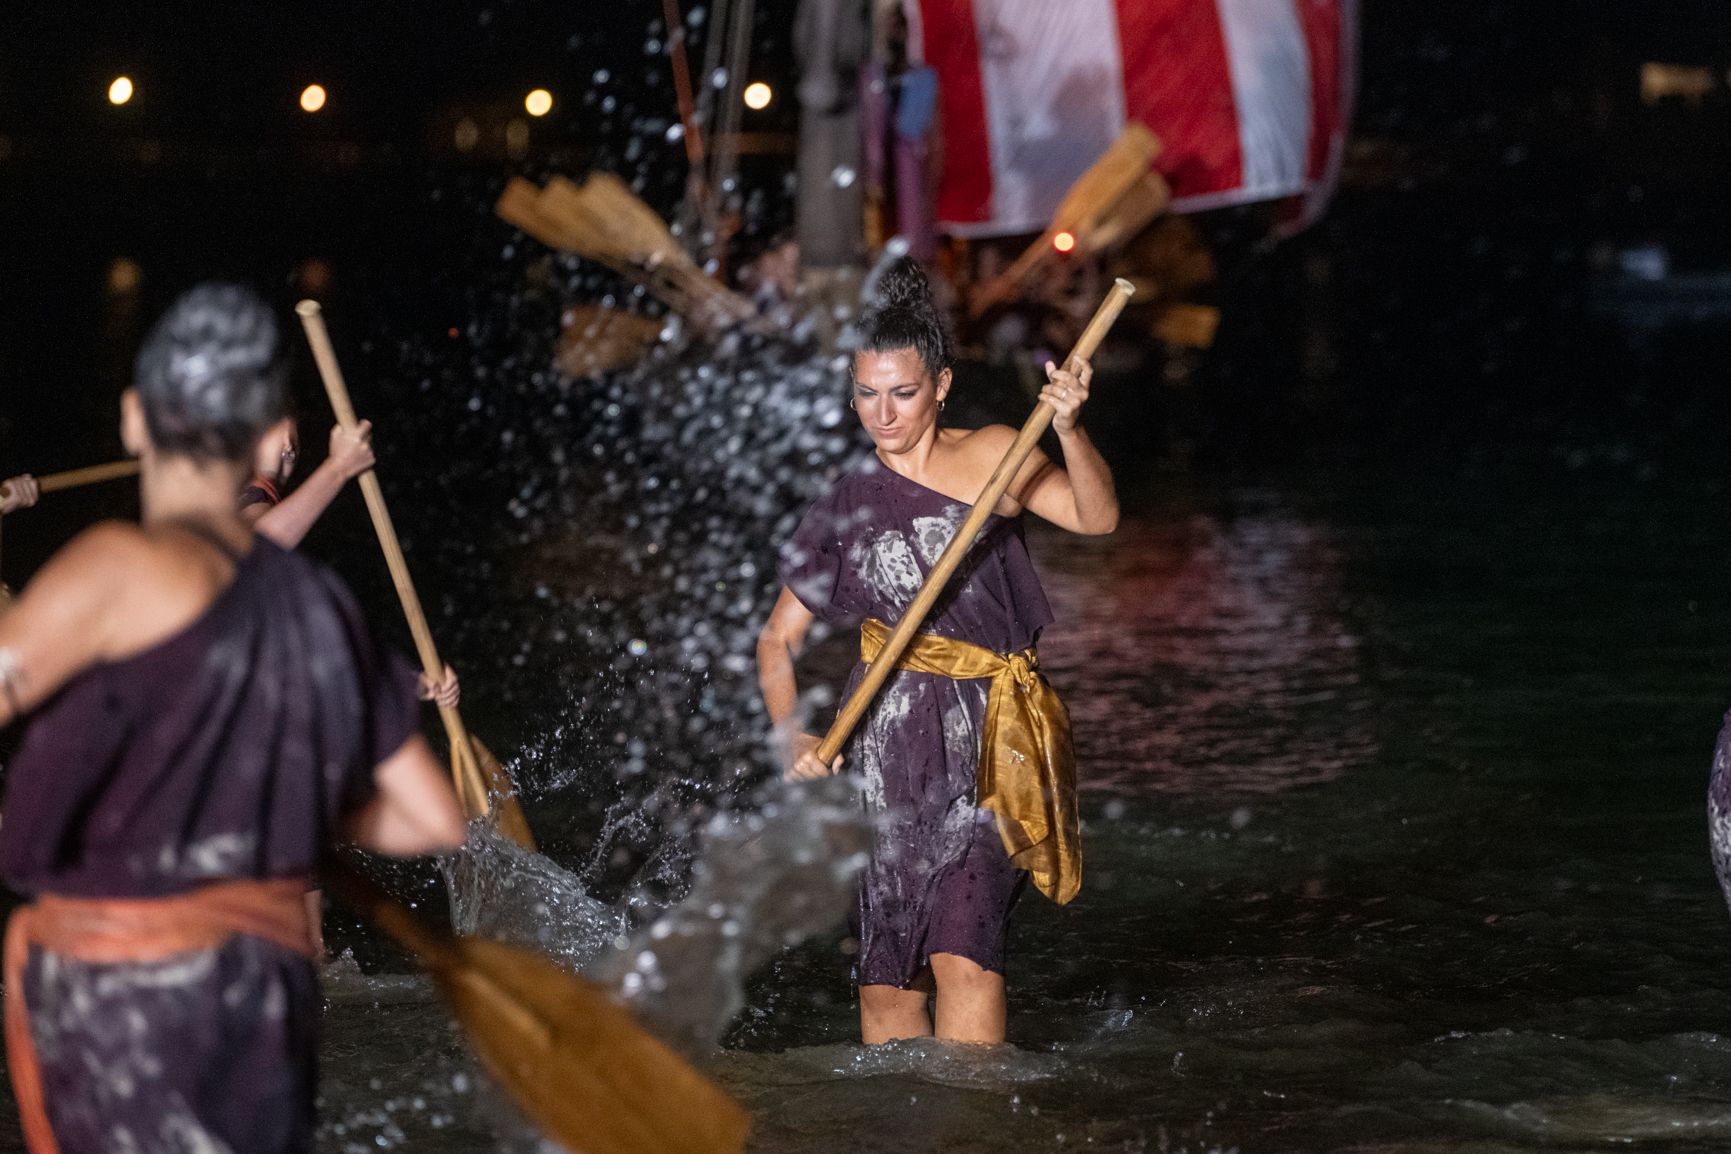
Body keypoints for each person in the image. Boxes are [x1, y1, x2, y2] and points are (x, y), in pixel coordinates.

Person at [0, 284, 468, 1153]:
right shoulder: (322, 604)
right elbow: (429, 818)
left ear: (136, 423)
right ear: (267, 439)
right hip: (263, 989)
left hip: (123, 990)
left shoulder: (117, 566)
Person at [756, 257, 1117, 1046]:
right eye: (866, 393)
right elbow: (775, 640)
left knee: (963, 954)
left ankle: (975, 1123)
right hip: (888, 741)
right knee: (889, 982)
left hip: (992, 734)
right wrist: (792, 732)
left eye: (904, 392)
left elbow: (1095, 518)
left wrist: (1067, 429)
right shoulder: (845, 502)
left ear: (943, 384)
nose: (883, 414)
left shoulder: (995, 450)